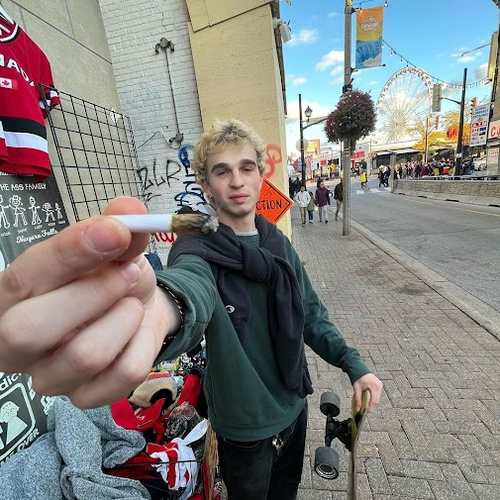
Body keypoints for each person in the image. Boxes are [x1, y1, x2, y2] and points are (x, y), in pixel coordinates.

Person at [155, 119, 382, 499]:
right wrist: (156, 313)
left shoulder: (278, 245)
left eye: (246, 168)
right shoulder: (197, 251)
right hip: (243, 427)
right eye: (222, 172)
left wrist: (353, 364)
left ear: (261, 176)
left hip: (293, 406)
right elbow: (187, 291)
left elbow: (311, 315)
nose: (237, 181)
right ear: (206, 186)